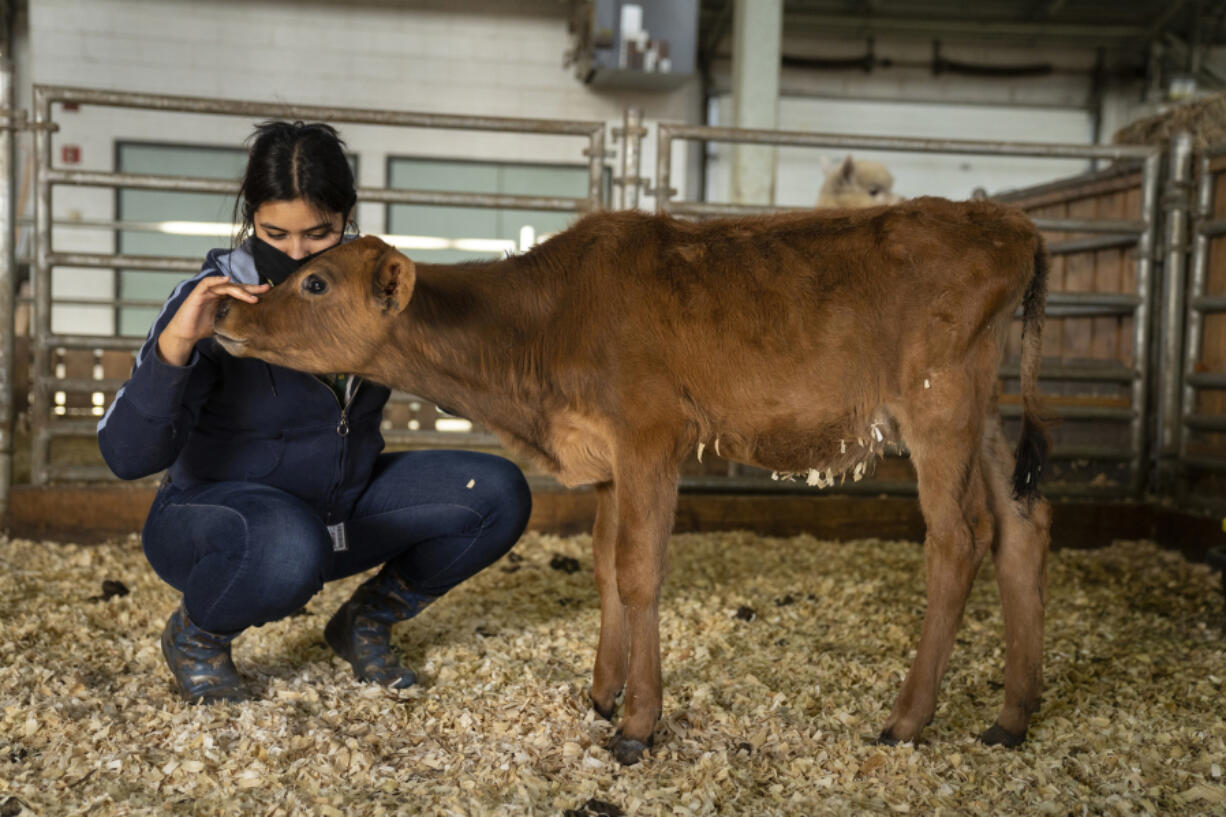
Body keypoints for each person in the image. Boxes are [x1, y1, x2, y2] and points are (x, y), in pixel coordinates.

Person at [97, 121, 532, 703]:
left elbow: (463, 385)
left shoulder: (375, 292)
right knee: (285, 542)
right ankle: (196, 637)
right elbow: (127, 457)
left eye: (319, 233)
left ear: (347, 217)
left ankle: (365, 620)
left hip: (337, 517)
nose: (294, 253)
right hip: (220, 525)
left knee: (497, 491)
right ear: (251, 217)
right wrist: (176, 346)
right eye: (275, 232)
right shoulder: (211, 301)